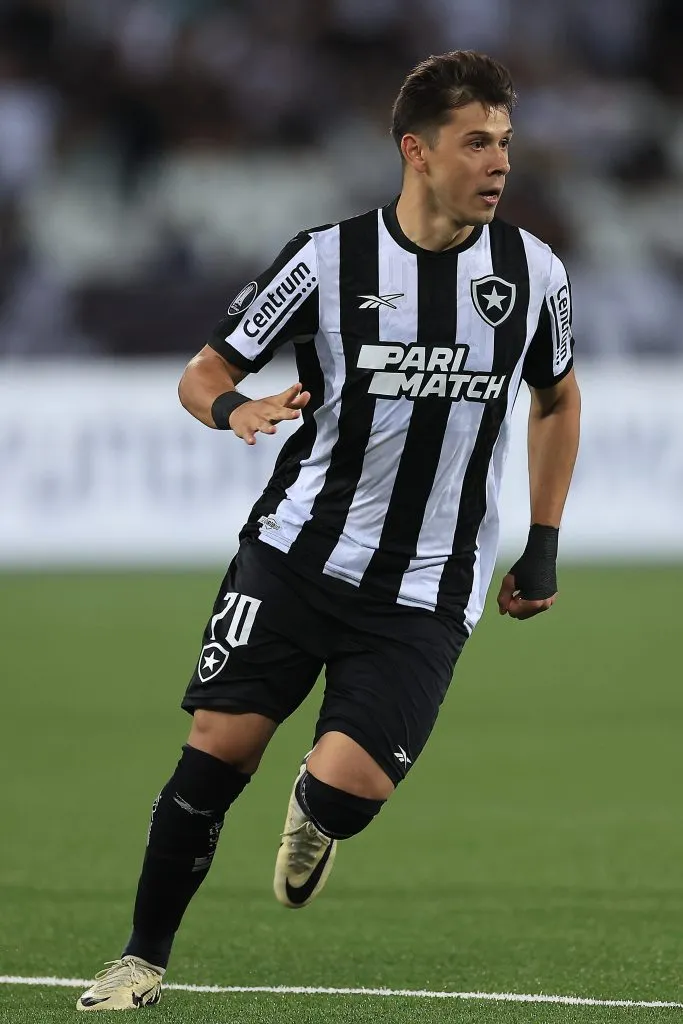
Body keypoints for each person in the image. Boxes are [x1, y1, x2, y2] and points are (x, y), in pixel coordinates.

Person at [77, 49, 581, 1011]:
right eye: (476, 143)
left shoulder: (532, 272)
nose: (499, 164)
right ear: (417, 152)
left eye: (505, 144)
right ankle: (140, 956)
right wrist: (237, 412)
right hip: (297, 555)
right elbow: (203, 371)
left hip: (429, 584)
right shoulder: (325, 260)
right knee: (216, 753)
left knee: (347, 795)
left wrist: (544, 538)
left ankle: (315, 815)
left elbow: (556, 398)